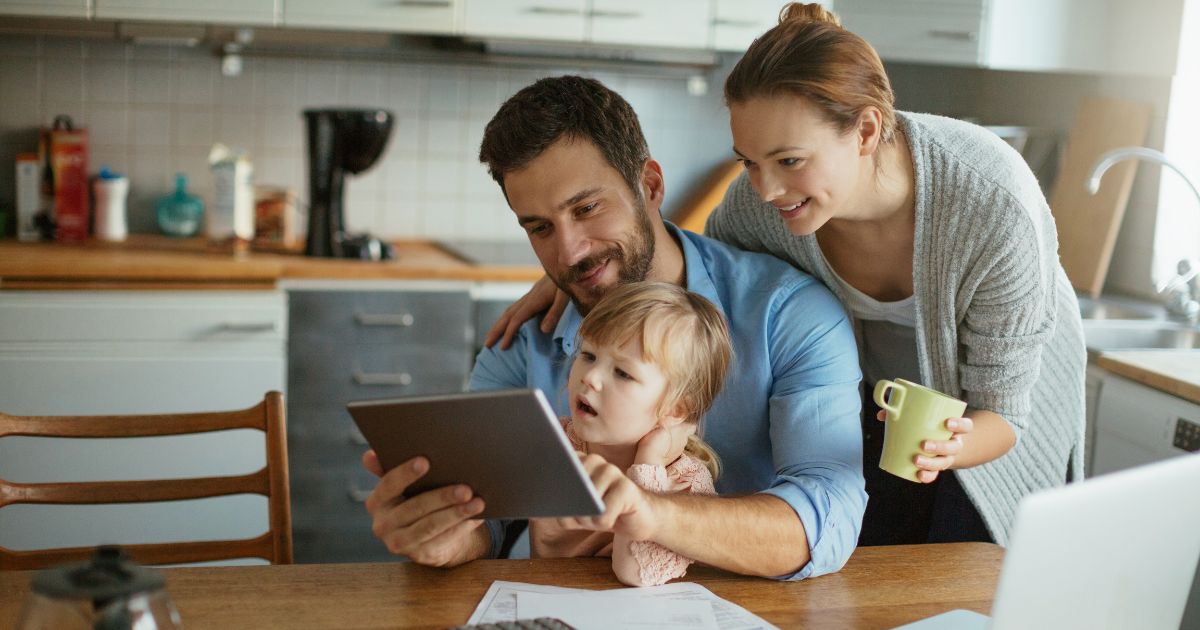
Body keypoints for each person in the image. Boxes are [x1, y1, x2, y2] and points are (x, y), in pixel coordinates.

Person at [489, 4, 1087, 548]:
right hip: (882, 411)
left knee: (975, 566)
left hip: (992, 417)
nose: (767, 187)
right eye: (750, 162)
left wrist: (950, 446)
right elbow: (696, 280)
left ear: (867, 131)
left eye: (789, 162)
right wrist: (578, 271)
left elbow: (1005, 412)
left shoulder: (990, 203)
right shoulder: (762, 204)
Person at [363, 74, 867, 580]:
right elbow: (486, 516)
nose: (569, 252)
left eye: (586, 208)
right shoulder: (521, 343)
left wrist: (651, 514)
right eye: (539, 227)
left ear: (649, 185)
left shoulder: (789, 315)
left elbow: (828, 517)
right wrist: (446, 535)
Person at [533, 281, 729, 587]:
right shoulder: (556, 443)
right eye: (588, 355)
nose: (591, 378)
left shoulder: (685, 481)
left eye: (623, 373)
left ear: (676, 409)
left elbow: (634, 572)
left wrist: (647, 463)